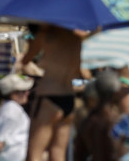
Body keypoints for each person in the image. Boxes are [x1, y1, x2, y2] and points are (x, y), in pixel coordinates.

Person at [22, 24, 83, 161]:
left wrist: (35, 39)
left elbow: (26, 60)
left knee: (34, 153)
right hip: (69, 97)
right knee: (58, 153)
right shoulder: (76, 39)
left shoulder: (46, 35)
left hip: (49, 95)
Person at [0, 74, 33, 161]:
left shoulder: (10, 108)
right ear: (13, 94)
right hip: (14, 156)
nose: (27, 93)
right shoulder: (12, 110)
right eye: (23, 91)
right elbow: (0, 139)